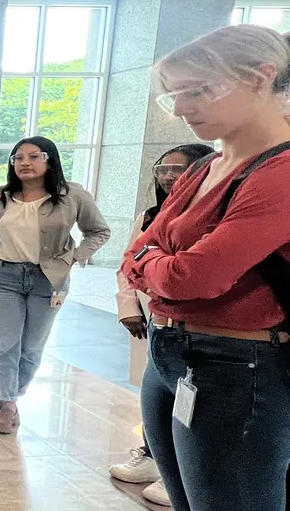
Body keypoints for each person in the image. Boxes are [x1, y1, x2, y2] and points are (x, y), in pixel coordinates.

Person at [123, 24, 290, 510]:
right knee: (186, 498)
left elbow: (196, 277)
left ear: (261, 77)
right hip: (170, 345)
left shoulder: (279, 172)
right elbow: (141, 248)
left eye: (197, 90)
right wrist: (157, 266)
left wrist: (152, 266)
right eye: (172, 96)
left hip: (238, 363)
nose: (180, 108)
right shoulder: (202, 167)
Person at [0, 136, 110, 434]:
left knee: (31, 346)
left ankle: (9, 397)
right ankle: (8, 402)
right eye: (18, 158)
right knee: (5, 344)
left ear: (50, 160)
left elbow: (99, 231)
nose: (25, 163)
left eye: (33, 157)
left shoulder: (73, 195)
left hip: (49, 280)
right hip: (5, 277)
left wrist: (73, 258)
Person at [108, 143, 213, 508]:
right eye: (162, 169)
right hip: (156, 319)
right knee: (155, 396)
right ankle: (155, 458)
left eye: (178, 168)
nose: (169, 176)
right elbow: (130, 260)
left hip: (199, 327)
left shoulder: (215, 214)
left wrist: (152, 266)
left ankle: (179, 474)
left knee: (191, 407)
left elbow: (183, 272)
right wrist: (127, 306)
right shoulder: (152, 214)